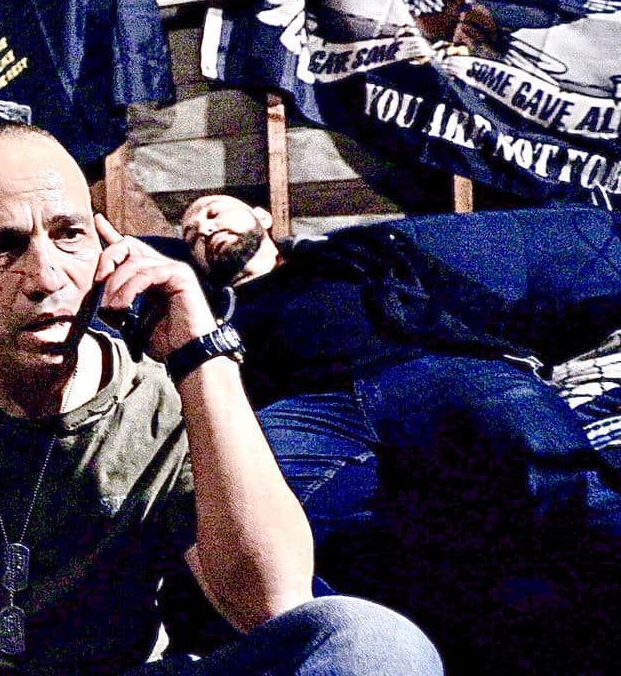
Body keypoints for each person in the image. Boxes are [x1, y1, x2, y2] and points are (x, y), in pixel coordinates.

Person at [0, 121, 439, 676]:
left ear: (104, 244)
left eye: (69, 234)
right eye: (1, 247)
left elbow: (273, 602)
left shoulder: (162, 397)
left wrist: (202, 358)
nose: (46, 277)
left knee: (373, 642)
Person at [177, 194, 621, 674]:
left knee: (557, 474)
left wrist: (511, 348)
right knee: (229, 523)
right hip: (310, 410)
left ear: (263, 217)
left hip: (425, 368)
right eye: (190, 234)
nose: (203, 229)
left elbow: (464, 287)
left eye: (213, 212)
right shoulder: (206, 315)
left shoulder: (347, 251)